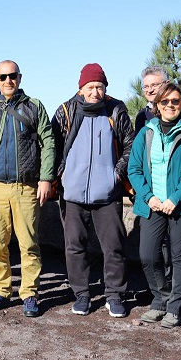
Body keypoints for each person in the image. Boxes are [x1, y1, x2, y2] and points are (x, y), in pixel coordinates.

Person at [0, 60, 55, 318]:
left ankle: (29, 294)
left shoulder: (34, 106)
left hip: (26, 187)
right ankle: (1, 291)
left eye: (12, 76)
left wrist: (46, 178)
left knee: (29, 245)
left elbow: (48, 143)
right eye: (2, 77)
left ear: (19, 77)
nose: (8, 81)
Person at [51, 63, 134, 318]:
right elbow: (51, 146)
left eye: (99, 86)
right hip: (73, 193)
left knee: (114, 246)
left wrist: (116, 174)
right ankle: (82, 294)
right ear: (81, 88)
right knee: (74, 246)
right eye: (90, 87)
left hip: (107, 194)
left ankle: (114, 295)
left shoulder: (116, 109)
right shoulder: (66, 110)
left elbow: (131, 146)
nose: (95, 92)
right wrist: (60, 174)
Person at [127, 82, 181, 328]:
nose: (170, 105)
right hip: (152, 204)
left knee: (180, 258)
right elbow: (134, 169)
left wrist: (175, 198)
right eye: (165, 102)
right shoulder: (146, 132)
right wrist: (149, 197)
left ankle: (176, 307)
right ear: (156, 105)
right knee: (148, 255)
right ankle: (160, 298)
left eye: (175, 101)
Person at [134, 65, 181, 132]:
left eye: (155, 85)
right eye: (146, 87)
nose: (150, 90)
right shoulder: (142, 116)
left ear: (167, 83)